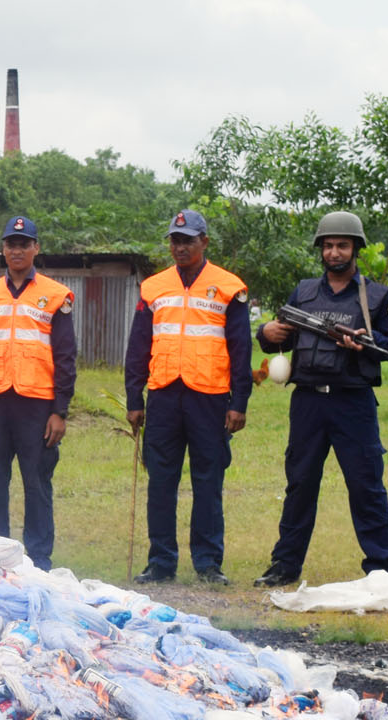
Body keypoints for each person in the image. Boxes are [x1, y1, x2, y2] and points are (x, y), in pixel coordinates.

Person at [254, 211, 388, 587]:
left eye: (342, 245)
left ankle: (380, 569)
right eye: (328, 245)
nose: (334, 252)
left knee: (366, 485)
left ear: (355, 248)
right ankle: (285, 565)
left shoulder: (377, 296)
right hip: (308, 402)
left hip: (352, 402)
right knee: (300, 484)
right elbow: (282, 337)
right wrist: (266, 331)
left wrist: (364, 345)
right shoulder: (304, 293)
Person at [124, 209, 252, 584]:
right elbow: (138, 347)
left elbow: (241, 349)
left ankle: (208, 563)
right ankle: (161, 562)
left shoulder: (230, 287)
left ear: (204, 242)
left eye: (188, 240)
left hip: (209, 397)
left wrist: (239, 402)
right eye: (175, 240)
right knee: (161, 481)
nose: (180, 247)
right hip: (163, 394)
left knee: (208, 482)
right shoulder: (153, 287)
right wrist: (135, 398)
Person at [0, 215, 76, 567]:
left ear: (36, 248)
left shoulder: (56, 297)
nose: (17, 250)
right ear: (3, 250)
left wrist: (60, 410)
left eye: (24, 244)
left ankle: (38, 559)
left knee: (36, 483)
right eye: (11, 244)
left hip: (37, 406)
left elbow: (66, 355)